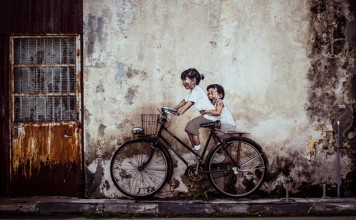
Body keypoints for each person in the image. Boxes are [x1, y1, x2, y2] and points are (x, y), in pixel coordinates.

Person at [174, 68, 216, 152]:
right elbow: (184, 101)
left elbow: (190, 103)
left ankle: (198, 150)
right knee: (188, 128)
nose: (183, 82)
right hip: (207, 115)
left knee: (191, 126)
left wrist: (181, 112)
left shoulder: (197, 91)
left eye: (185, 79)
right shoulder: (192, 91)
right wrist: (174, 109)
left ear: (193, 80)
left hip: (210, 115)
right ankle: (194, 148)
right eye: (182, 80)